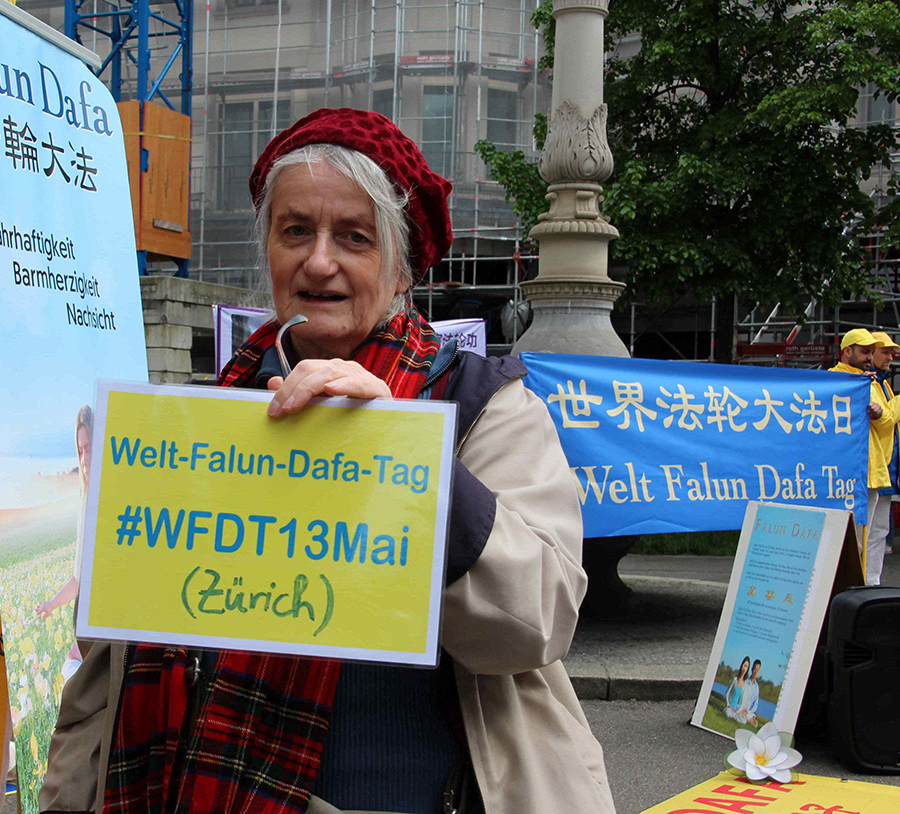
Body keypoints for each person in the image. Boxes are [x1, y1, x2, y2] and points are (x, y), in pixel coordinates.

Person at [38, 108, 614, 814]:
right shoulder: (196, 422)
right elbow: (104, 675)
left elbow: (538, 621)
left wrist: (399, 455)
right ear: (269, 251)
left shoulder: (480, 404)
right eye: (295, 231)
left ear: (401, 270)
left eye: (354, 237)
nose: (318, 261)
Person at [829, 329, 900, 585]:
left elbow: (884, 421)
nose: (886, 357)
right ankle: (848, 589)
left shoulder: (872, 381)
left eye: (872, 352)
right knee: (854, 538)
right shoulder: (842, 379)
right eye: (870, 352)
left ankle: (869, 584)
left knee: (874, 533)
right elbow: (887, 420)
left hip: (878, 469)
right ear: (847, 351)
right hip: (857, 470)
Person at [36, 404, 95, 681]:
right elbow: (79, 579)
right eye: (80, 451)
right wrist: (51, 603)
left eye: (89, 449)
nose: (84, 460)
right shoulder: (86, 506)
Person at [871, 332, 900, 559]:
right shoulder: (869, 382)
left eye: (891, 353)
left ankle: (872, 578)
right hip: (874, 470)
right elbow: (886, 419)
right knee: (867, 532)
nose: (890, 357)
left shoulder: (882, 382)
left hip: (885, 469)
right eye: (885, 352)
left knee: (879, 532)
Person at [724, 656, 749, 722]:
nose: (745, 668)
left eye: (747, 667)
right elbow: (726, 694)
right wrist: (728, 705)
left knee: (744, 720)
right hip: (729, 707)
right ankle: (731, 714)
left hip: (736, 710)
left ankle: (734, 715)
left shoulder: (745, 684)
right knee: (728, 713)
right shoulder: (735, 680)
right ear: (741, 666)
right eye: (744, 666)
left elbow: (742, 701)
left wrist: (738, 710)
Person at [741, 659, 762, 727]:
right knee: (743, 718)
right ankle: (746, 719)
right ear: (752, 669)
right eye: (754, 669)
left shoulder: (756, 687)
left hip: (748, 712)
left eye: (757, 670)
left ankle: (747, 719)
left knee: (756, 724)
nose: (755, 672)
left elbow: (755, 704)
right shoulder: (745, 682)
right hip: (741, 709)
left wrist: (749, 712)